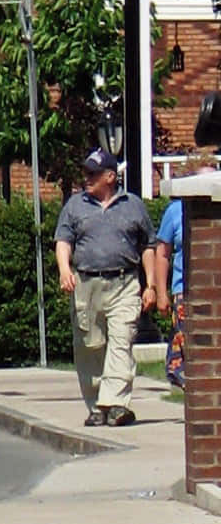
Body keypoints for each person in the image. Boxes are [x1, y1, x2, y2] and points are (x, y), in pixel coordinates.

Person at [53, 148, 158, 427]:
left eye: (93, 173)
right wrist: (65, 270)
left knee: (121, 343)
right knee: (90, 345)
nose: (86, 178)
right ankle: (97, 404)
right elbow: (63, 241)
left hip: (125, 283)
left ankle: (116, 404)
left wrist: (152, 285)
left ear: (110, 176)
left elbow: (149, 245)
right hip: (86, 284)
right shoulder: (75, 205)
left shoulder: (133, 205)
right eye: (86, 173)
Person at [156, 196, 185, 388]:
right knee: (188, 348)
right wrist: (161, 293)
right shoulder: (175, 211)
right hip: (184, 289)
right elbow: (162, 253)